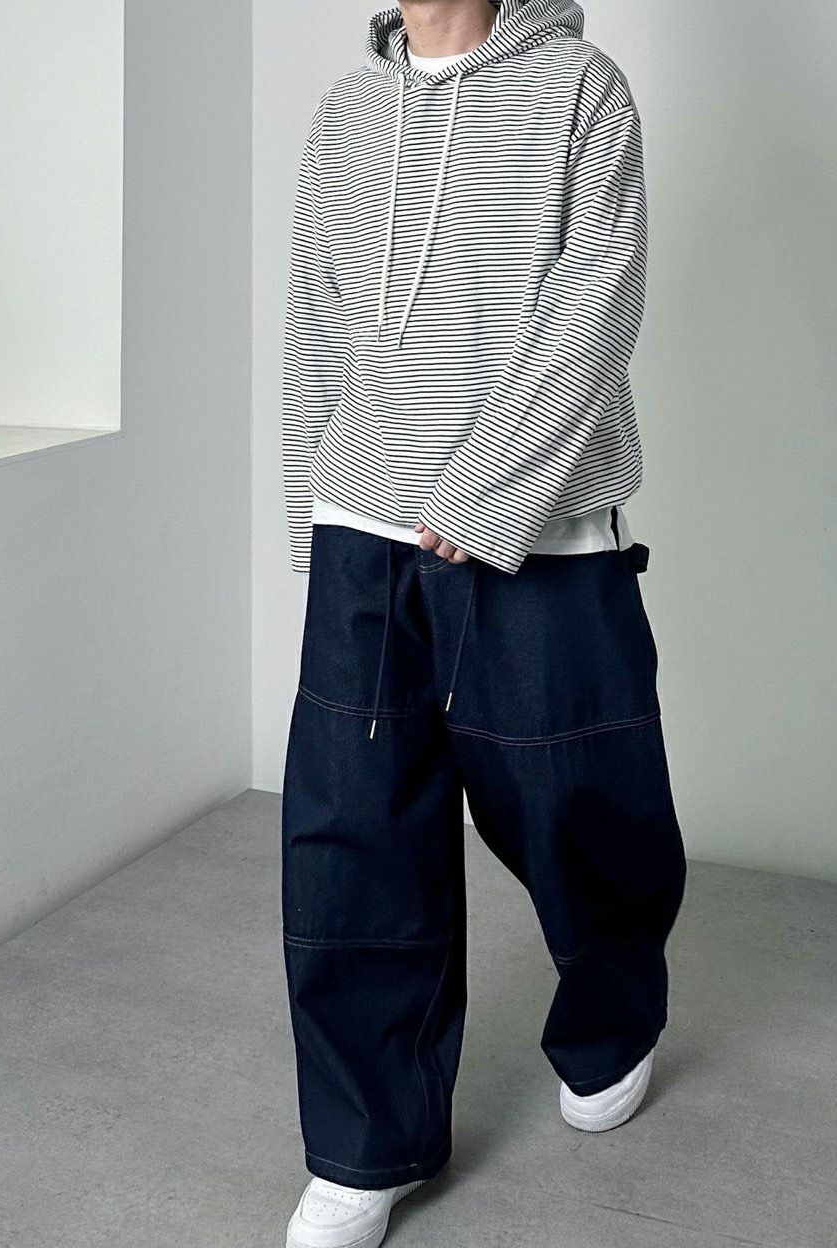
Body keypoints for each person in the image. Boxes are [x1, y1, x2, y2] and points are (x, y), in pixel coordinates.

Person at [279, 1, 686, 1244]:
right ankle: (366, 1144)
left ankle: (613, 1022)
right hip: (365, 527)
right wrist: (314, 521)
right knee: (354, 840)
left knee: (582, 810)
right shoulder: (348, 113)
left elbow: (596, 303)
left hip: (539, 528)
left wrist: (482, 491)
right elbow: (316, 324)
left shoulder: (580, 88)